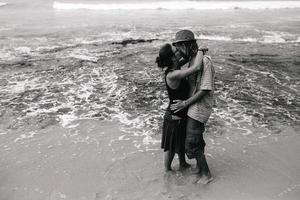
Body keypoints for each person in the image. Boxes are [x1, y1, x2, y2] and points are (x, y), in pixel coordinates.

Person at [170, 30, 215, 184]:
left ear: (186, 45)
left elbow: (205, 89)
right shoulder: (193, 59)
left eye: (179, 47)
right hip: (192, 104)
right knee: (196, 139)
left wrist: (185, 103)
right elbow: (173, 65)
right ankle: (200, 169)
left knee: (191, 143)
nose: (177, 51)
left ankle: (207, 174)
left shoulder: (205, 61)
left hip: (199, 105)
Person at [156, 43, 202, 172]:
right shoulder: (172, 74)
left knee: (180, 142)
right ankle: (167, 172)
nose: (179, 52)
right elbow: (197, 67)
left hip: (179, 114)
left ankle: (182, 163)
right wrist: (202, 52)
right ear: (172, 58)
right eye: (176, 51)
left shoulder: (176, 66)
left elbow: (186, 58)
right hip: (174, 116)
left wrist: (192, 50)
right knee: (171, 147)